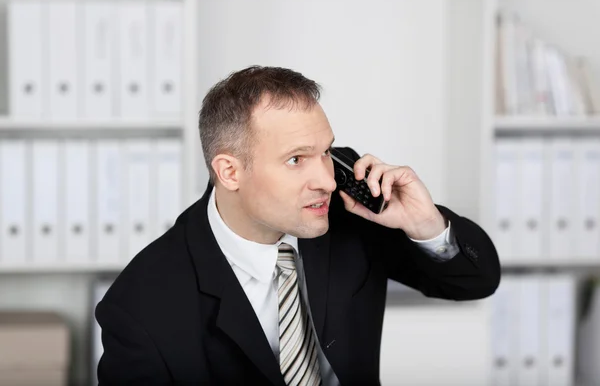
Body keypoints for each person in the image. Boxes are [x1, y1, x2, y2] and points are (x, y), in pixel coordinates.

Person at [95, 65, 501, 385]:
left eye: (325, 151)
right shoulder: (138, 308)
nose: (325, 178)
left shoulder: (346, 205)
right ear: (230, 172)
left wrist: (424, 224)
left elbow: (474, 282)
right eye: (296, 159)